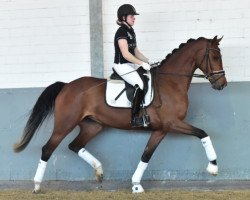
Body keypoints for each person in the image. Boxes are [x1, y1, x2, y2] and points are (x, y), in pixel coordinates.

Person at [113, 4, 151, 127]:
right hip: (121, 65)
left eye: (134, 16)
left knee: (148, 77)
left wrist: (148, 61)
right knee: (139, 84)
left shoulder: (130, 31)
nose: (134, 18)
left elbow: (135, 52)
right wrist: (141, 64)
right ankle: (134, 118)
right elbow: (125, 54)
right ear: (123, 17)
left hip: (131, 65)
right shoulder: (121, 32)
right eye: (131, 16)